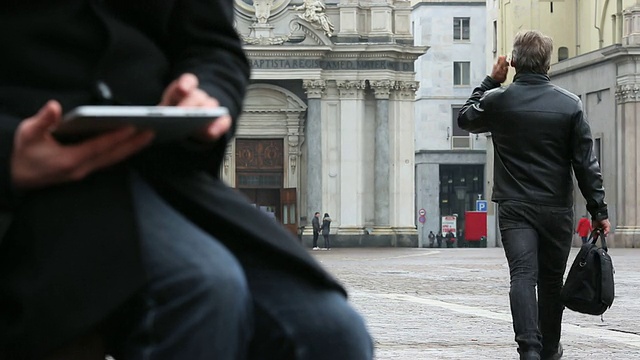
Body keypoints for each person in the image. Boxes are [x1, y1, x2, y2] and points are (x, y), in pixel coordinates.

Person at [0, 2, 373, 359]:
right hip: (32, 175)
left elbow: (213, 45)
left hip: (161, 168)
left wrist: (206, 94)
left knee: (331, 330)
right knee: (201, 285)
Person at [458, 30, 610, 360]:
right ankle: (549, 349)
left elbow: (465, 118)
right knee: (551, 282)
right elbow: (586, 163)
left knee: (523, 277)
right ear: (547, 63)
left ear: (512, 63)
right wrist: (599, 210)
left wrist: (489, 81)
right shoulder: (570, 104)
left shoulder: (498, 100)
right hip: (556, 208)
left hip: (514, 208)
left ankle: (529, 348)